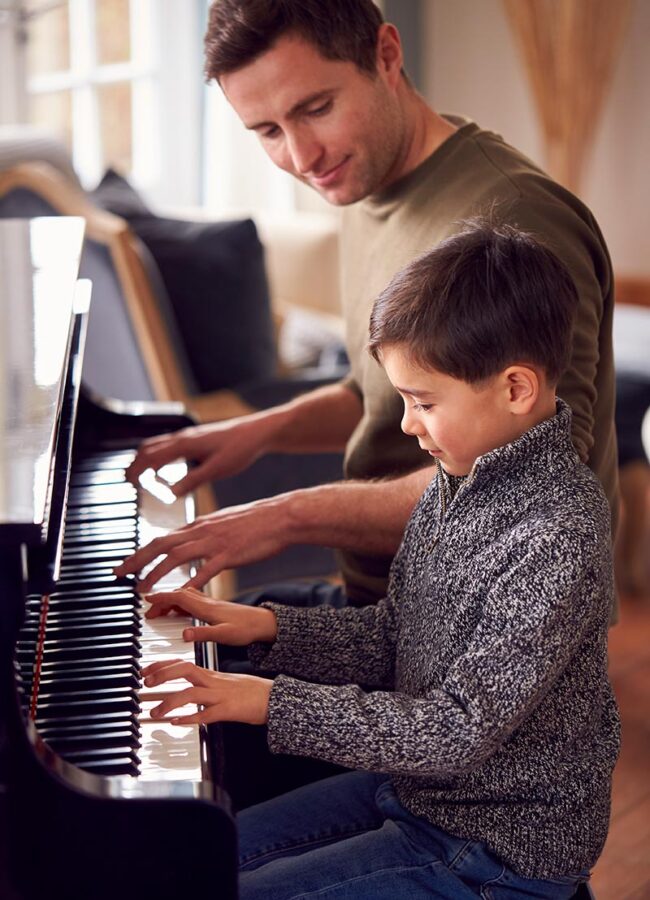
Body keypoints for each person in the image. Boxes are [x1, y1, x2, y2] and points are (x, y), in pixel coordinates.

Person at [138, 221, 620, 899]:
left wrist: (270, 702)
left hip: (493, 848)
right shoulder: (461, 479)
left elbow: (456, 731)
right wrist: (266, 629)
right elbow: (397, 639)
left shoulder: (555, 537)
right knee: (198, 864)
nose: (405, 425)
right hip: (419, 794)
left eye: (423, 402)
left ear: (516, 389)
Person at [115, 0, 618, 617]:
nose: (302, 159)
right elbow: (376, 392)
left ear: (386, 54)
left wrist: (288, 516)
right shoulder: (365, 184)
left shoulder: (513, 220)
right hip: (387, 603)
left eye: (316, 109)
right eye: (268, 132)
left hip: (476, 632)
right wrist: (256, 434)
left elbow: (532, 484)